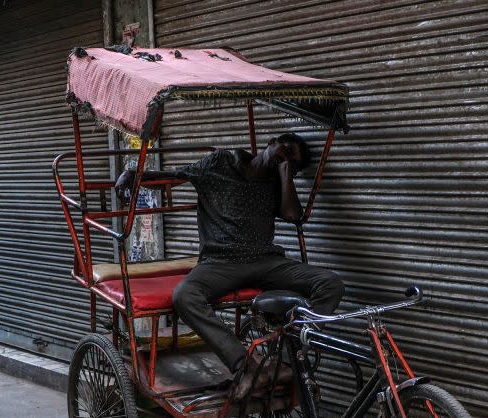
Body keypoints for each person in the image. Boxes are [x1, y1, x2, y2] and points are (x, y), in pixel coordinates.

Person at [115, 133, 344, 399]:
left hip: (266, 261)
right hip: (220, 262)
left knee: (330, 284)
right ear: (271, 142)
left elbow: (293, 215)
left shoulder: (278, 181)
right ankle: (246, 366)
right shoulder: (221, 161)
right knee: (185, 296)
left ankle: (286, 361)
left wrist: (284, 175)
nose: (285, 159)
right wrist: (134, 175)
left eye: (293, 163)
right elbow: (177, 176)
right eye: (286, 150)